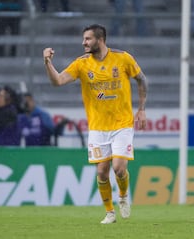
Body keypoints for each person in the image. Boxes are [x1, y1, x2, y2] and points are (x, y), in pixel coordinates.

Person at [43, 24, 148, 224]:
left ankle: (124, 196)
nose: (84, 43)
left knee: (118, 168)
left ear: (100, 40)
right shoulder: (82, 64)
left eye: (88, 39)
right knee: (101, 171)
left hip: (122, 124)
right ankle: (110, 213)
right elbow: (57, 81)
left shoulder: (123, 58)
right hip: (98, 127)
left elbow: (142, 80)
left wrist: (141, 109)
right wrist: (47, 62)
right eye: (84, 39)